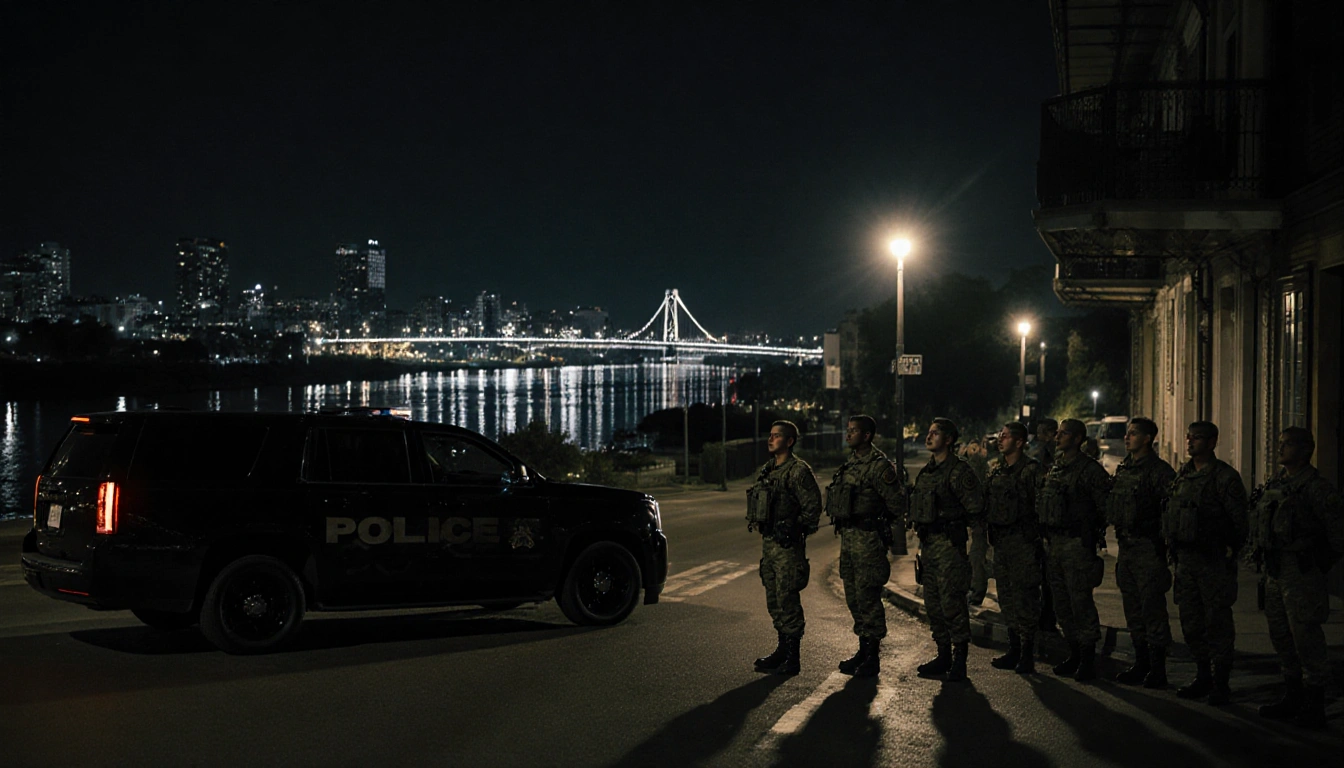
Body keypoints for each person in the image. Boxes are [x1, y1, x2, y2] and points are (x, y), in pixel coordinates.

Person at [1251, 427, 1343, 728]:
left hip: (1301, 573)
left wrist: (1315, 563)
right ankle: (1291, 695)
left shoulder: (1317, 488)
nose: (1281, 449)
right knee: (1281, 635)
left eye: (1288, 444)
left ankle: (1314, 704)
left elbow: (1337, 535)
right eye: (1280, 443)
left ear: (1305, 450)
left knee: (1306, 637)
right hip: (1276, 571)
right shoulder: (1278, 483)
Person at [1165, 421, 1248, 705]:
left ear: (1212, 442)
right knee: (1191, 622)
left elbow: (1240, 523)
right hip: (1186, 562)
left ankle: (1221, 683)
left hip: (1212, 563)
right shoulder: (1183, 475)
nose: (1190, 442)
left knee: (1217, 623)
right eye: (1188, 437)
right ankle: (1203, 676)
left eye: (1197, 438)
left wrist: (1226, 551)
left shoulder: (1224, 477)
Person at [825, 415, 908, 677]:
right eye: (847, 430)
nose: (848, 435)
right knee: (853, 596)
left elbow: (897, 504)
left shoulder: (879, 467)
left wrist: (882, 527)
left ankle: (872, 657)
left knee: (868, 597)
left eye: (853, 431)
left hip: (869, 540)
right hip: (849, 539)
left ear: (867, 435)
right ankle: (862, 650)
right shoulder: (850, 465)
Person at [747, 420, 823, 675]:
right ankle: (782, 650)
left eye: (777, 436)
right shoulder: (768, 470)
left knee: (788, 600)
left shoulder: (798, 471)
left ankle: (793, 658)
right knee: (774, 600)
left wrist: (796, 528)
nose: (770, 440)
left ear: (789, 441)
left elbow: (813, 507)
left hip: (788, 548)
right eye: (770, 435)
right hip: (769, 546)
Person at [911, 418, 984, 682]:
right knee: (933, 605)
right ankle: (943, 655)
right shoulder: (927, 472)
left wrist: (977, 557)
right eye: (928, 432)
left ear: (949, 440)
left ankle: (960, 658)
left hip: (950, 548)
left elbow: (976, 512)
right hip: (929, 547)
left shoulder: (959, 472)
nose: (928, 437)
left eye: (935, 433)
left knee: (952, 603)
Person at [1105, 417, 1177, 688]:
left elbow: (1169, 513)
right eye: (1127, 433)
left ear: (1147, 438)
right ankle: (1142, 662)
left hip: (1148, 549)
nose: (1127, 438)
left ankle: (1158, 669)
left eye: (1133, 434)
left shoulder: (1160, 472)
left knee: (1152, 611)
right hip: (1127, 548)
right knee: (1133, 610)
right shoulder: (1125, 468)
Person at [1038, 418, 1111, 682]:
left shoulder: (1089, 470)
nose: (1057, 437)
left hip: (1077, 545)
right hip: (1054, 545)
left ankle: (1088, 658)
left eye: (1064, 433)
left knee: (1080, 602)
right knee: (1061, 604)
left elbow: (1106, 507)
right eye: (1057, 433)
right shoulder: (1056, 468)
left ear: (1078, 439)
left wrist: (1088, 529)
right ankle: (1075, 653)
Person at [983, 421, 1044, 674]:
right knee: (1006, 597)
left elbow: (1041, 508)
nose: (1000, 440)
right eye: (1000, 435)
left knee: (1025, 597)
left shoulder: (1031, 471)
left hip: (1023, 543)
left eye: (1006, 436)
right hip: (1002, 543)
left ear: (1019, 442)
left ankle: (1028, 653)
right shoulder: (998, 472)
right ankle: (1014, 648)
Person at [963, 440, 992, 605]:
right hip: (973, 523)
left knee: (976, 558)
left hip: (978, 523)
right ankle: (974, 591)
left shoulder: (978, 465)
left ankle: (975, 592)